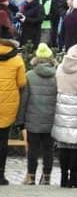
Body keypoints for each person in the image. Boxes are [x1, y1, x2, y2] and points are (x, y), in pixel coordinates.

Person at [16, 43, 57, 185]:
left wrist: (20, 121)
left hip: (32, 120)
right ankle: (47, 178)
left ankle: (31, 177)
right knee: (48, 150)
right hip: (51, 120)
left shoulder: (29, 75)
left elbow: (24, 100)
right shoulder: (56, 75)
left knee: (32, 149)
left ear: (36, 58)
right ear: (51, 58)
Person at [51, 43, 77, 188]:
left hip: (62, 105)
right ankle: (74, 178)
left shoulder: (60, 67)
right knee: (76, 145)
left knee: (63, 144)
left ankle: (63, 177)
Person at [0, 36, 27, 185]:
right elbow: (22, 82)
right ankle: (0, 175)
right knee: (2, 141)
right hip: (8, 105)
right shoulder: (17, 60)